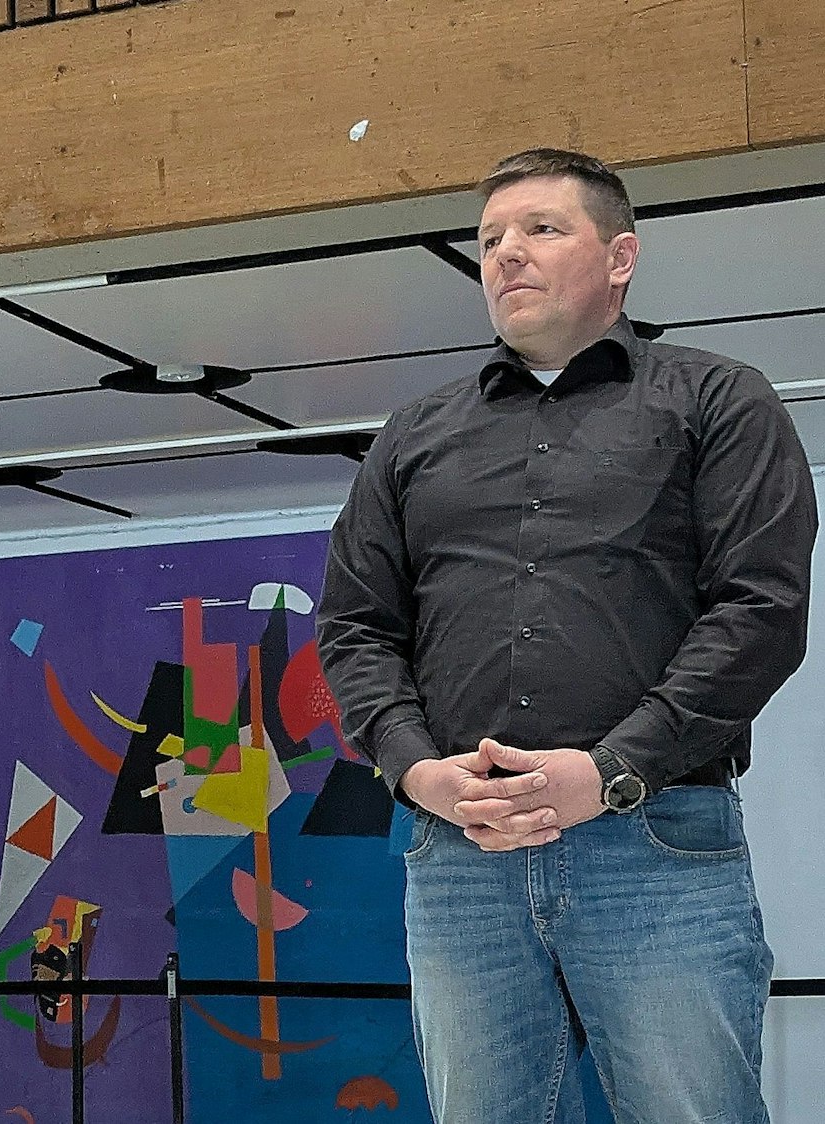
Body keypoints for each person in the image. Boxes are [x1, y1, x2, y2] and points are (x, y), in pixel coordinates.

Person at [319, 148, 815, 1123]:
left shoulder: (720, 400)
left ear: (620, 257)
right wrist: (417, 773)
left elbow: (760, 610)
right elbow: (356, 625)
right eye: (489, 240)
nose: (506, 253)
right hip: (460, 849)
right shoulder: (412, 436)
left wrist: (613, 770)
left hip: (655, 837)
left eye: (541, 228)